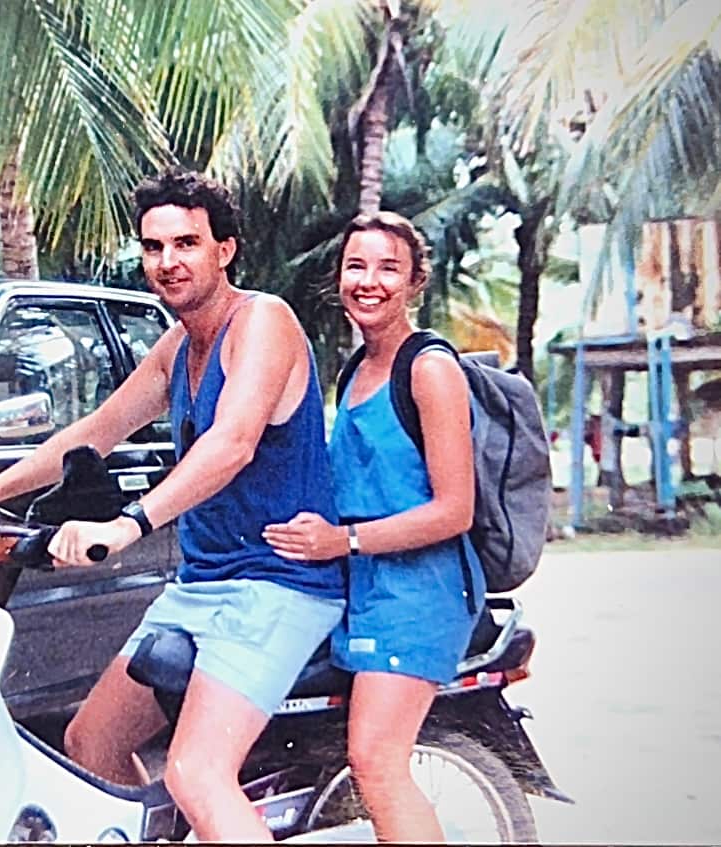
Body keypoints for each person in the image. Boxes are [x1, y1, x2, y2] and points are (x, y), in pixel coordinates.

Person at [0, 168, 345, 841]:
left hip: (277, 584)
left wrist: (128, 522)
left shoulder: (263, 321)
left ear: (223, 250)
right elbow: (94, 432)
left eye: (186, 243)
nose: (168, 262)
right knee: (91, 740)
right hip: (200, 584)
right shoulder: (177, 346)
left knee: (198, 772)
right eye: (153, 246)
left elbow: (231, 443)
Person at [263, 211, 485, 842]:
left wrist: (344, 541)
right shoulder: (355, 370)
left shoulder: (430, 368)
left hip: (422, 594)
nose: (369, 281)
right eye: (356, 266)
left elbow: (453, 509)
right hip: (362, 590)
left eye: (389, 268)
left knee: (376, 760)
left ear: (416, 281)